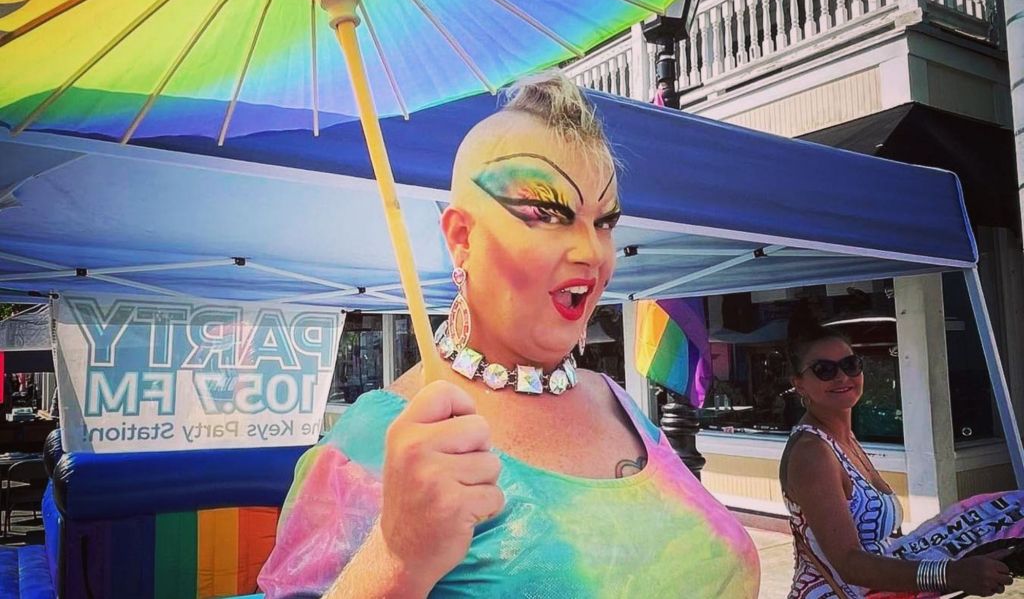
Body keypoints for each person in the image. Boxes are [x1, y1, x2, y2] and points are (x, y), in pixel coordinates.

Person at [258, 72, 760, 598]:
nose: (591, 252)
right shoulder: (369, 447)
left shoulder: (617, 401)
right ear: (462, 237)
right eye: (547, 213)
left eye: (604, 222)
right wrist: (397, 557)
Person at [780, 308, 1013, 597]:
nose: (842, 376)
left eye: (851, 364)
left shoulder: (842, 438)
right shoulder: (812, 453)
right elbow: (848, 563)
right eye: (824, 370)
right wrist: (950, 574)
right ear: (798, 382)